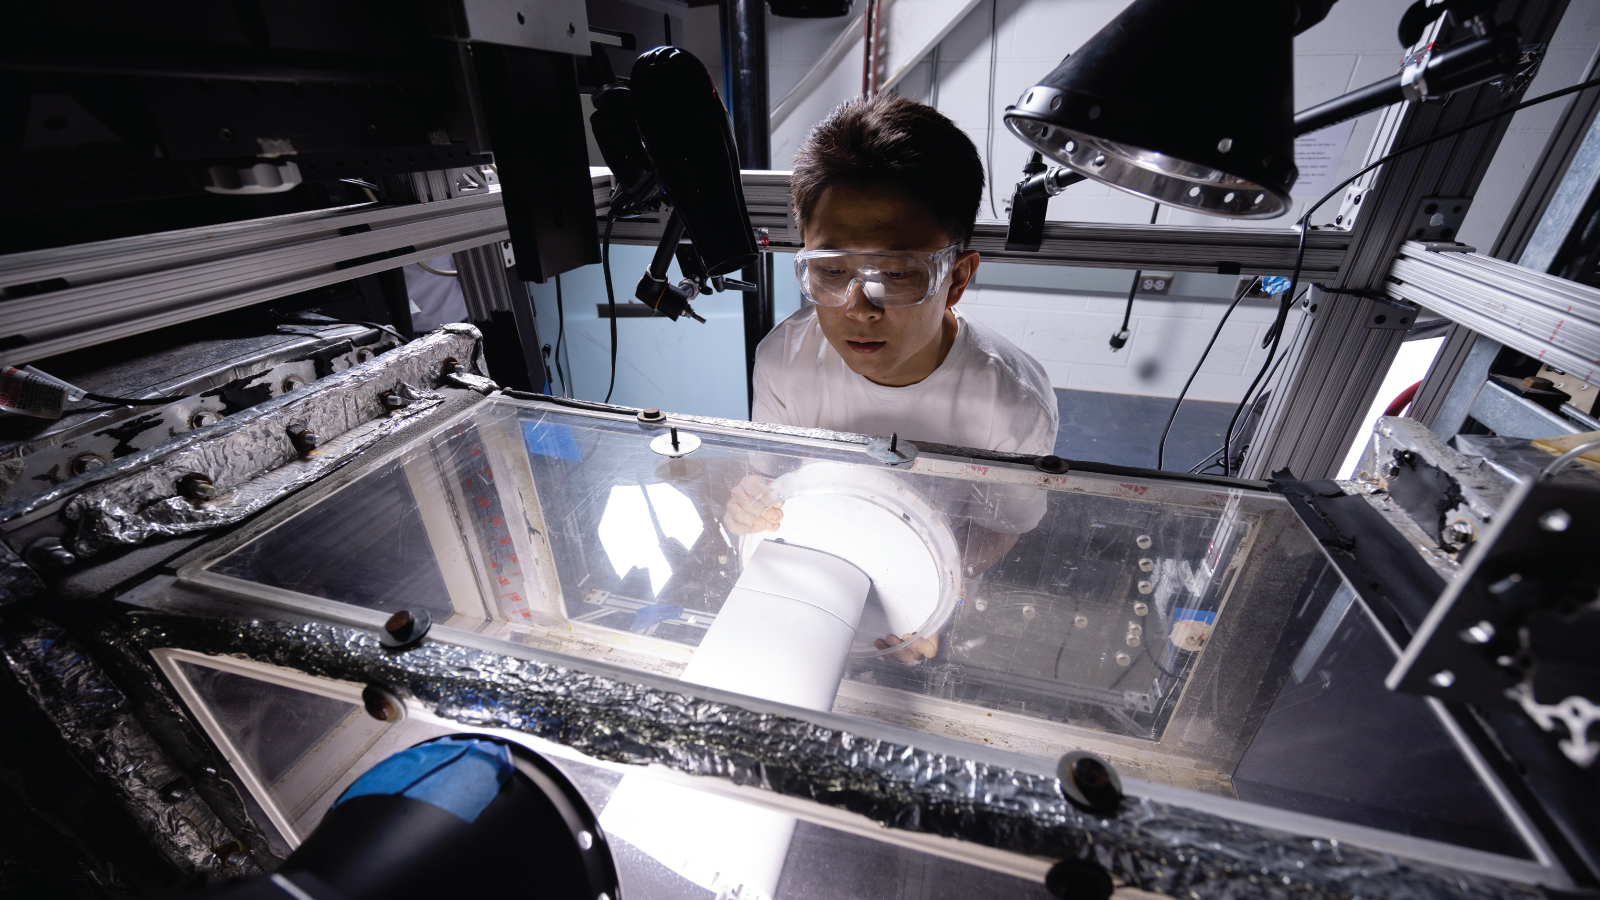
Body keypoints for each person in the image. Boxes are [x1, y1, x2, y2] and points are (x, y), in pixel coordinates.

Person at [725, 94, 1060, 663]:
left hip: (924, 591)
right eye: (830, 271)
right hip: (814, 573)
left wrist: (930, 590)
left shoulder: (1011, 405)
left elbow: (1004, 528)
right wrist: (746, 507)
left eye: (899, 274)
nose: (859, 308)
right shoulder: (784, 359)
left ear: (956, 278)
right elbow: (767, 481)